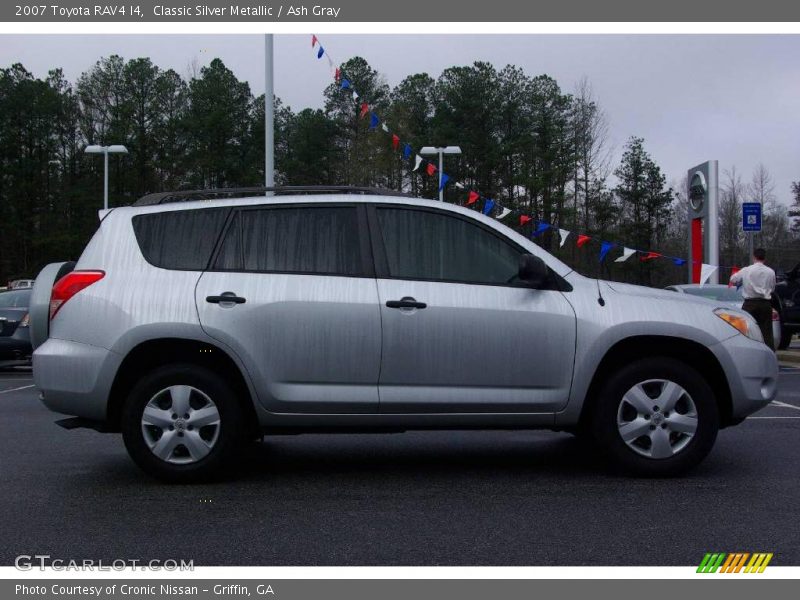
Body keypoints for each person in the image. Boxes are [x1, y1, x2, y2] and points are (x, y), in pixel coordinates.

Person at [729, 248, 777, 350]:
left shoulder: (746, 270)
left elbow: (733, 279)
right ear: (765, 258)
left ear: (754, 257)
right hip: (765, 304)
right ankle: (769, 353)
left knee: (746, 330)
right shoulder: (771, 272)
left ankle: (747, 350)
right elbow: (772, 288)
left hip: (750, 304)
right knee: (766, 332)